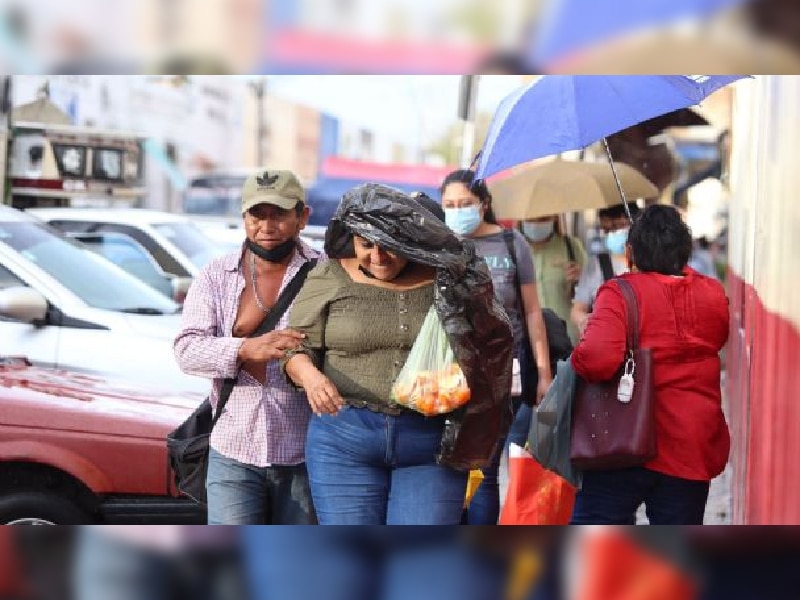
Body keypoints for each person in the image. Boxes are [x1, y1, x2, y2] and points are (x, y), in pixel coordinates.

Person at [283, 183, 514, 525]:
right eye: (366, 245)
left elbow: (489, 345)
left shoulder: (449, 278)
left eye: (390, 246)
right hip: (345, 441)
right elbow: (293, 345)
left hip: (431, 444)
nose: (378, 257)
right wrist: (310, 376)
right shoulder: (329, 274)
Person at [173, 169, 320, 525]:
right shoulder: (215, 275)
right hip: (233, 448)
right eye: (257, 215)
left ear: (302, 216)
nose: (266, 227)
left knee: (295, 569)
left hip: (305, 453)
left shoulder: (325, 272)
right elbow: (186, 350)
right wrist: (244, 349)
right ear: (244, 218)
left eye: (279, 214)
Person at [569, 204, 730, 525]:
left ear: (629, 253)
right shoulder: (713, 293)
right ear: (684, 251)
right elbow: (719, 339)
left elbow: (597, 360)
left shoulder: (619, 292)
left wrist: (580, 351)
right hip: (692, 444)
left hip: (624, 441)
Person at [440, 169, 552, 525]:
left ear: (483, 204)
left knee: (485, 472)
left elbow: (532, 311)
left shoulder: (510, 243)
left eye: (465, 204)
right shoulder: (441, 245)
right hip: (450, 375)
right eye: (449, 205)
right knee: (453, 470)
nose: (457, 211)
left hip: (507, 374)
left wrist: (545, 373)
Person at [571, 202, 641, 336]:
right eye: (606, 230)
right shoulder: (596, 265)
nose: (612, 234)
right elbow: (577, 309)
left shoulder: (649, 263)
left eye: (617, 227)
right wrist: (585, 320)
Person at [519, 214, 587, 343]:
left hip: (568, 338)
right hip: (528, 340)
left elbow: (592, 292)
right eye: (530, 219)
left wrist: (580, 278)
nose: (536, 224)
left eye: (543, 219)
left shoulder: (571, 246)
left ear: (555, 217)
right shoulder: (513, 250)